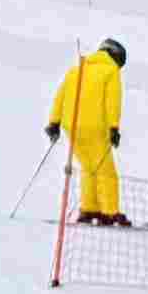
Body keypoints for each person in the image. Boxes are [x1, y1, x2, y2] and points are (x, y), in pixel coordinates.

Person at [46, 39, 130, 226]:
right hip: (96, 127)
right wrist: (114, 127)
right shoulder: (110, 71)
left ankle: (90, 208)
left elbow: (61, 96)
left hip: (72, 125)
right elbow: (112, 101)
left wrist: (54, 122)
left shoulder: (77, 69)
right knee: (106, 170)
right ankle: (110, 211)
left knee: (88, 167)